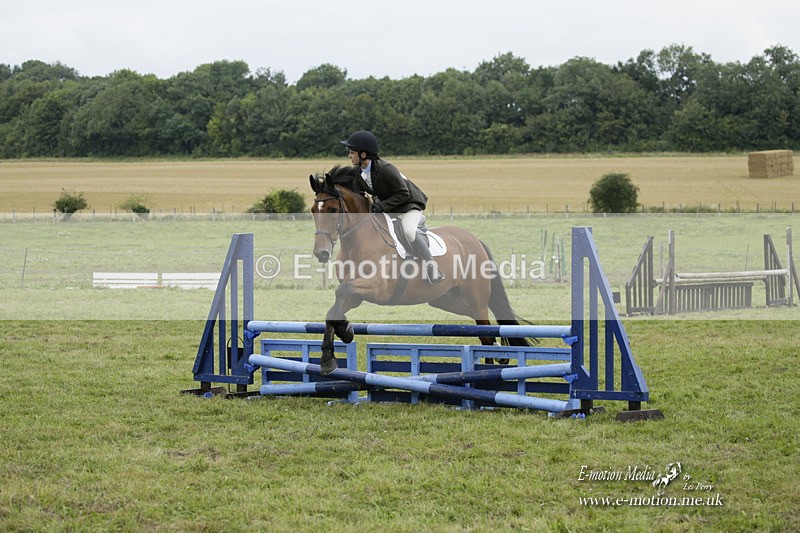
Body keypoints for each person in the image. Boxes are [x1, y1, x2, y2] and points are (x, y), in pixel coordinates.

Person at [340, 130, 444, 285]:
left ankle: (432, 267)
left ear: (363, 154)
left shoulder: (386, 169)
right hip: (389, 207)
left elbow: (404, 193)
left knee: (408, 231)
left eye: (351, 152)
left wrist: (381, 205)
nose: (349, 155)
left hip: (409, 205)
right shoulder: (358, 172)